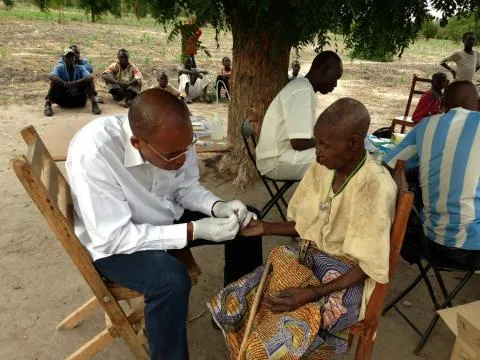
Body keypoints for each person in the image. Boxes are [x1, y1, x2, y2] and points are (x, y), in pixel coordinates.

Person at [65, 89, 263, 359]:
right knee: (170, 280)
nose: (182, 159)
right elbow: (112, 236)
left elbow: (184, 186)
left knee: (244, 222)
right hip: (115, 244)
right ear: (138, 143)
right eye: (173, 155)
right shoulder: (95, 152)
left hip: (163, 215)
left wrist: (217, 207)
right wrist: (192, 231)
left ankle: (233, 313)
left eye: (187, 148)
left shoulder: (176, 139)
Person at [208, 98, 397, 359]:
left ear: (354, 143)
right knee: (238, 302)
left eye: (325, 145)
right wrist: (265, 227)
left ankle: (262, 349)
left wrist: (312, 293)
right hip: (310, 257)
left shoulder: (374, 187)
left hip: (346, 274)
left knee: (270, 340)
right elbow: (307, 226)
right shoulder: (322, 167)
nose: (317, 151)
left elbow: (367, 265)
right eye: (317, 142)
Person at [384, 80, 480, 269]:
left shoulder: (426, 125)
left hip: (429, 242)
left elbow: (389, 164)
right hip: (470, 249)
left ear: (443, 104)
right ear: (476, 103)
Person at [255, 50, 343, 180]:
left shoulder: (302, 86)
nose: (335, 84)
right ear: (325, 70)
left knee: (334, 153)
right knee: (339, 157)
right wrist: (328, 142)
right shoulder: (302, 91)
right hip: (275, 161)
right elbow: (299, 143)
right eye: (335, 77)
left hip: (276, 155)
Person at [44, 48, 101, 117]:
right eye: (68, 57)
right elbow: (51, 76)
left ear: (74, 58)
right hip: (63, 100)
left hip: (79, 100)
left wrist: (76, 83)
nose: (71, 59)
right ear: (63, 59)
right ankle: (48, 104)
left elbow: (90, 77)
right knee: (55, 82)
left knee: (88, 81)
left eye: (72, 57)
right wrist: (65, 84)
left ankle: (94, 103)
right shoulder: (59, 68)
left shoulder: (80, 67)